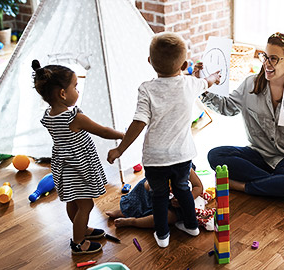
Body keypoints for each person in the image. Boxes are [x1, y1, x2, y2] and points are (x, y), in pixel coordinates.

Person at [107, 32, 220, 248]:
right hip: (182, 156)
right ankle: (192, 226)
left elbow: (138, 123)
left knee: (159, 195)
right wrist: (214, 76)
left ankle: (162, 236)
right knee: (183, 190)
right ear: (185, 64)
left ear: (150, 62)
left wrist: (120, 150)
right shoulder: (190, 84)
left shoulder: (146, 89)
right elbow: (207, 82)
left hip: (155, 159)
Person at [201, 32, 284, 200]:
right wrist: (204, 87)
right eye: (265, 57)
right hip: (257, 155)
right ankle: (278, 186)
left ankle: (243, 186)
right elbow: (227, 107)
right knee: (215, 155)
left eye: (274, 59)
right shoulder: (250, 84)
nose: (267, 63)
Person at [31, 60, 124, 255]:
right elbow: (104, 131)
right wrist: (124, 135)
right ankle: (78, 242)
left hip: (63, 166)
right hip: (78, 167)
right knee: (87, 204)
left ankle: (82, 229)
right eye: (75, 86)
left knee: (73, 202)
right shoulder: (74, 117)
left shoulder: (48, 115)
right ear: (62, 93)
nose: (78, 91)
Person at [105, 168, 203, 229]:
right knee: (141, 186)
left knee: (166, 218)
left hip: (176, 204)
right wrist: (153, 187)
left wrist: (186, 199)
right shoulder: (158, 169)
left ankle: (133, 221)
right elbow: (147, 184)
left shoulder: (186, 168)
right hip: (155, 196)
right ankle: (126, 210)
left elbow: (198, 187)